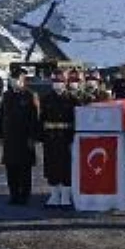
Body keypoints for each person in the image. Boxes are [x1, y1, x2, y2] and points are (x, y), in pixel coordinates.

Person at [0, 67, 40, 205]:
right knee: (11, 168)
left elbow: (35, 118)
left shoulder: (30, 96)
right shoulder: (7, 95)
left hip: (24, 138)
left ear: (23, 80)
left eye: (18, 79)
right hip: (10, 138)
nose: (15, 81)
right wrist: (0, 135)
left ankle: (24, 195)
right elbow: (1, 116)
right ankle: (13, 194)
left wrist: (33, 137)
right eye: (13, 79)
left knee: (24, 168)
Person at [39, 71, 77, 207]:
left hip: (66, 137)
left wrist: (75, 138)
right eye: (55, 82)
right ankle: (54, 195)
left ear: (65, 84)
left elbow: (76, 120)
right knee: (52, 166)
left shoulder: (72, 99)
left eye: (60, 82)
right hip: (50, 137)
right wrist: (41, 137)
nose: (57, 85)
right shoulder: (46, 99)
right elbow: (41, 120)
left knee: (66, 166)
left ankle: (66, 196)